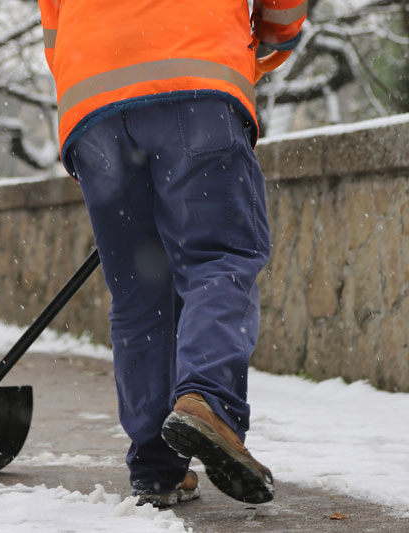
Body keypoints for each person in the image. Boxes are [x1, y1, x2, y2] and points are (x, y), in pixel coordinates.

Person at [37, 0, 306, 507]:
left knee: (141, 293)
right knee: (218, 258)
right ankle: (207, 398)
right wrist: (273, 40)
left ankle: (158, 466)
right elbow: (281, 13)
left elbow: (54, 29)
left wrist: (112, 70)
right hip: (195, 77)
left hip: (92, 102)